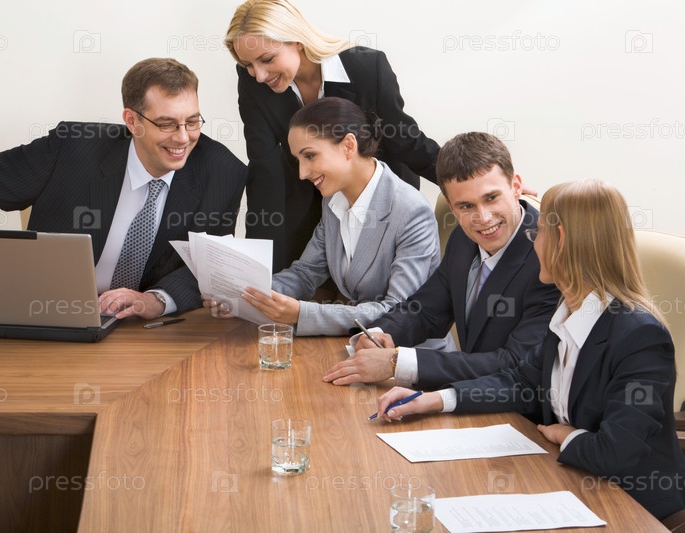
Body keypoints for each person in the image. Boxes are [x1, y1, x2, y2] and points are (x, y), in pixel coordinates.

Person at [375, 179, 685, 521]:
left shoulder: (640, 337)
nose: (533, 242)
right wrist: (433, 399)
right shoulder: (566, 313)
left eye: (537, 233)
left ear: (560, 239)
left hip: (631, 508)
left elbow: (615, 453)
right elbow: (519, 383)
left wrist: (567, 435)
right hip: (572, 485)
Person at [0, 58, 247, 320]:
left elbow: (209, 264)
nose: (183, 137)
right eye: (167, 124)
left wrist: (156, 300)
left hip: (145, 331)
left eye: (192, 121)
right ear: (132, 121)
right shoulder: (71, 149)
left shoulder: (223, 172)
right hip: (43, 313)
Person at [323, 132, 559, 388]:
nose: (483, 218)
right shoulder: (463, 239)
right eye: (466, 206)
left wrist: (397, 362)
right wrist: (381, 334)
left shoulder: (551, 255)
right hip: (470, 396)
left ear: (516, 186)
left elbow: (516, 363)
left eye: (491, 198)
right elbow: (426, 310)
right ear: (451, 205)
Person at [205, 97, 450, 343]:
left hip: (408, 353)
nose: (302, 173)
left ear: (348, 146)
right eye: (298, 160)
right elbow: (305, 273)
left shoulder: (411, 212)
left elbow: (397, 312)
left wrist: (302, 313)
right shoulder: (334, 201)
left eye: (310, 156)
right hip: (359, 344)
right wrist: (244, 294)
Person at [224, 0, 439, 271]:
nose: (259, 75)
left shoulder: (366, 67)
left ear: (297, 41)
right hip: (309, 198)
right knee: (289, 276)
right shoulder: (251, 81)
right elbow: (264, 167)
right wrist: (256, 261)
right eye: (248, 64)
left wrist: (466, 179)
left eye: (267, 60)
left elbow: (404, 140)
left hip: (373, 200)